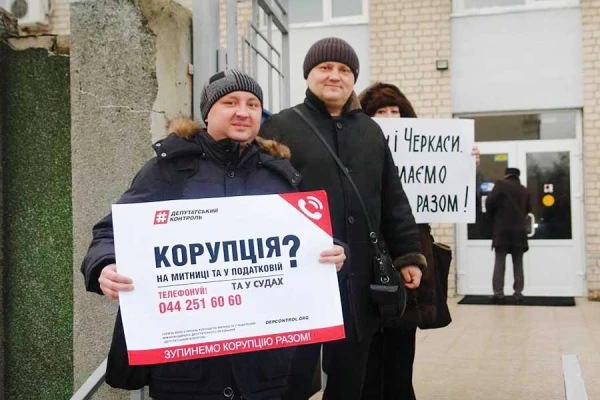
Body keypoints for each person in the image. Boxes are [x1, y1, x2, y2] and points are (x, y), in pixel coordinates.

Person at [80, 69, 347, 400]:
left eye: (252, 104)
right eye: (230, 102)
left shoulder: (279, 175)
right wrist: (105, 266)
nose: (243, 112)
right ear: (208, 113)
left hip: (262, 374)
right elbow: (109, 233)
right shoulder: (169, 171)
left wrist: (332, 253)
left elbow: (310, 244)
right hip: (186, 372)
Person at [259, 38, 426, 400]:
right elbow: (260, 198)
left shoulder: (370, 130)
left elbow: (393, 198)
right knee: (293, 376)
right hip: (300, 274)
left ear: (353, 79)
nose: (335, 76)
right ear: (308, 75)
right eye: (325, 68)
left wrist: (408, 254)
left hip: (359, 278)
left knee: (350, 377)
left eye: (344, 70)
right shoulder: (280, 127)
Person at [358, 82, 481, 400]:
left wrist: (463, 165)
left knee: (401, 349)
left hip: (409, 259)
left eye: (394, 111)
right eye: (380, 111)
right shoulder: (355, 152)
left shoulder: (417, 149)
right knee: (369, 356)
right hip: (367, 261)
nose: (389, 117)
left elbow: (442, 191)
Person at [485, 167, 532, 304]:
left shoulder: (500, 185)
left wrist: (494, 218)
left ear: (506, 175)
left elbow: (489, 203)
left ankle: (498, 293)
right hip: (519, 232)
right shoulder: (524, 190)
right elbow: (528, 209)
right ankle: (518, 293)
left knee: (500, 263)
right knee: (518, 264)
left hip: (502, 230)